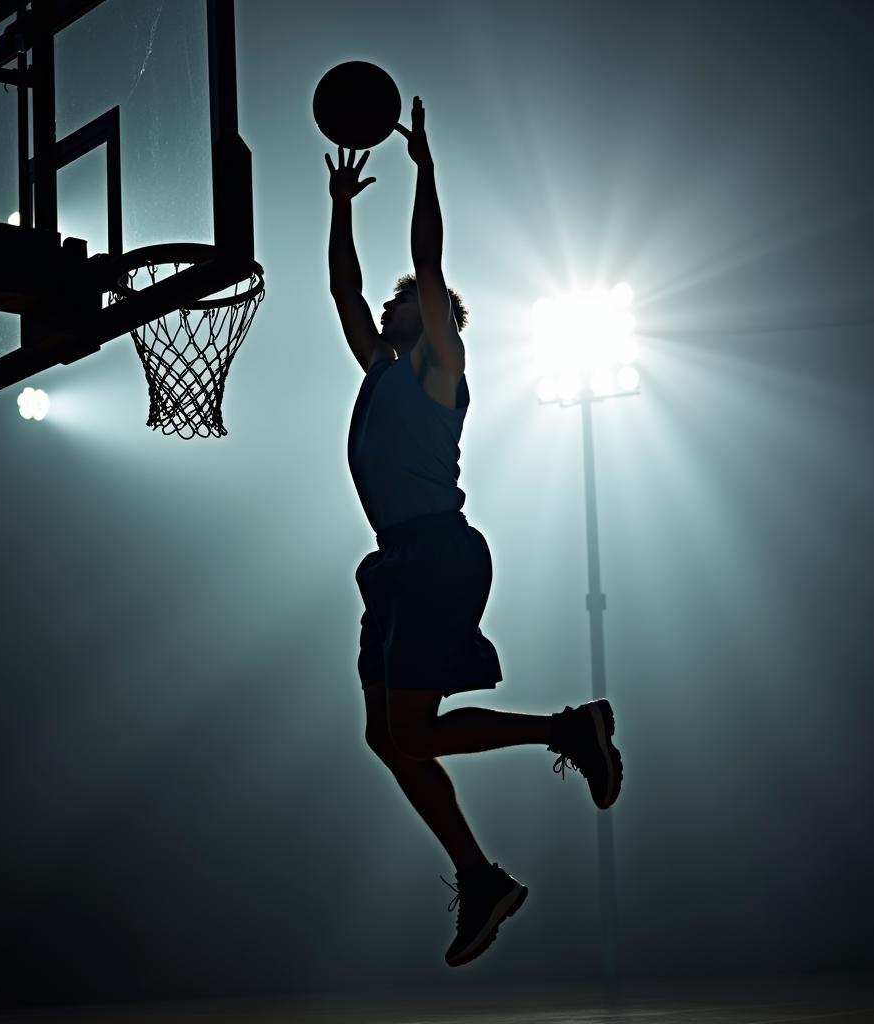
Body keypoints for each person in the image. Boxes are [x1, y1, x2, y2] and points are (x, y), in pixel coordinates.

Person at [325, 96, 623, 968]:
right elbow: (344, 288)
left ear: (435, 319)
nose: (385, 307)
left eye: (402, 303)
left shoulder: (439, 369)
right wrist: (339, 210)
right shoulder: (380, 367)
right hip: (396, 565)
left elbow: (426, 257)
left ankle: (569, 727)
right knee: (390, 739)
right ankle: (481, 879)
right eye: (388, 305)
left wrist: (423, 173)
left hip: (440, 553)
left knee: (411, 733)